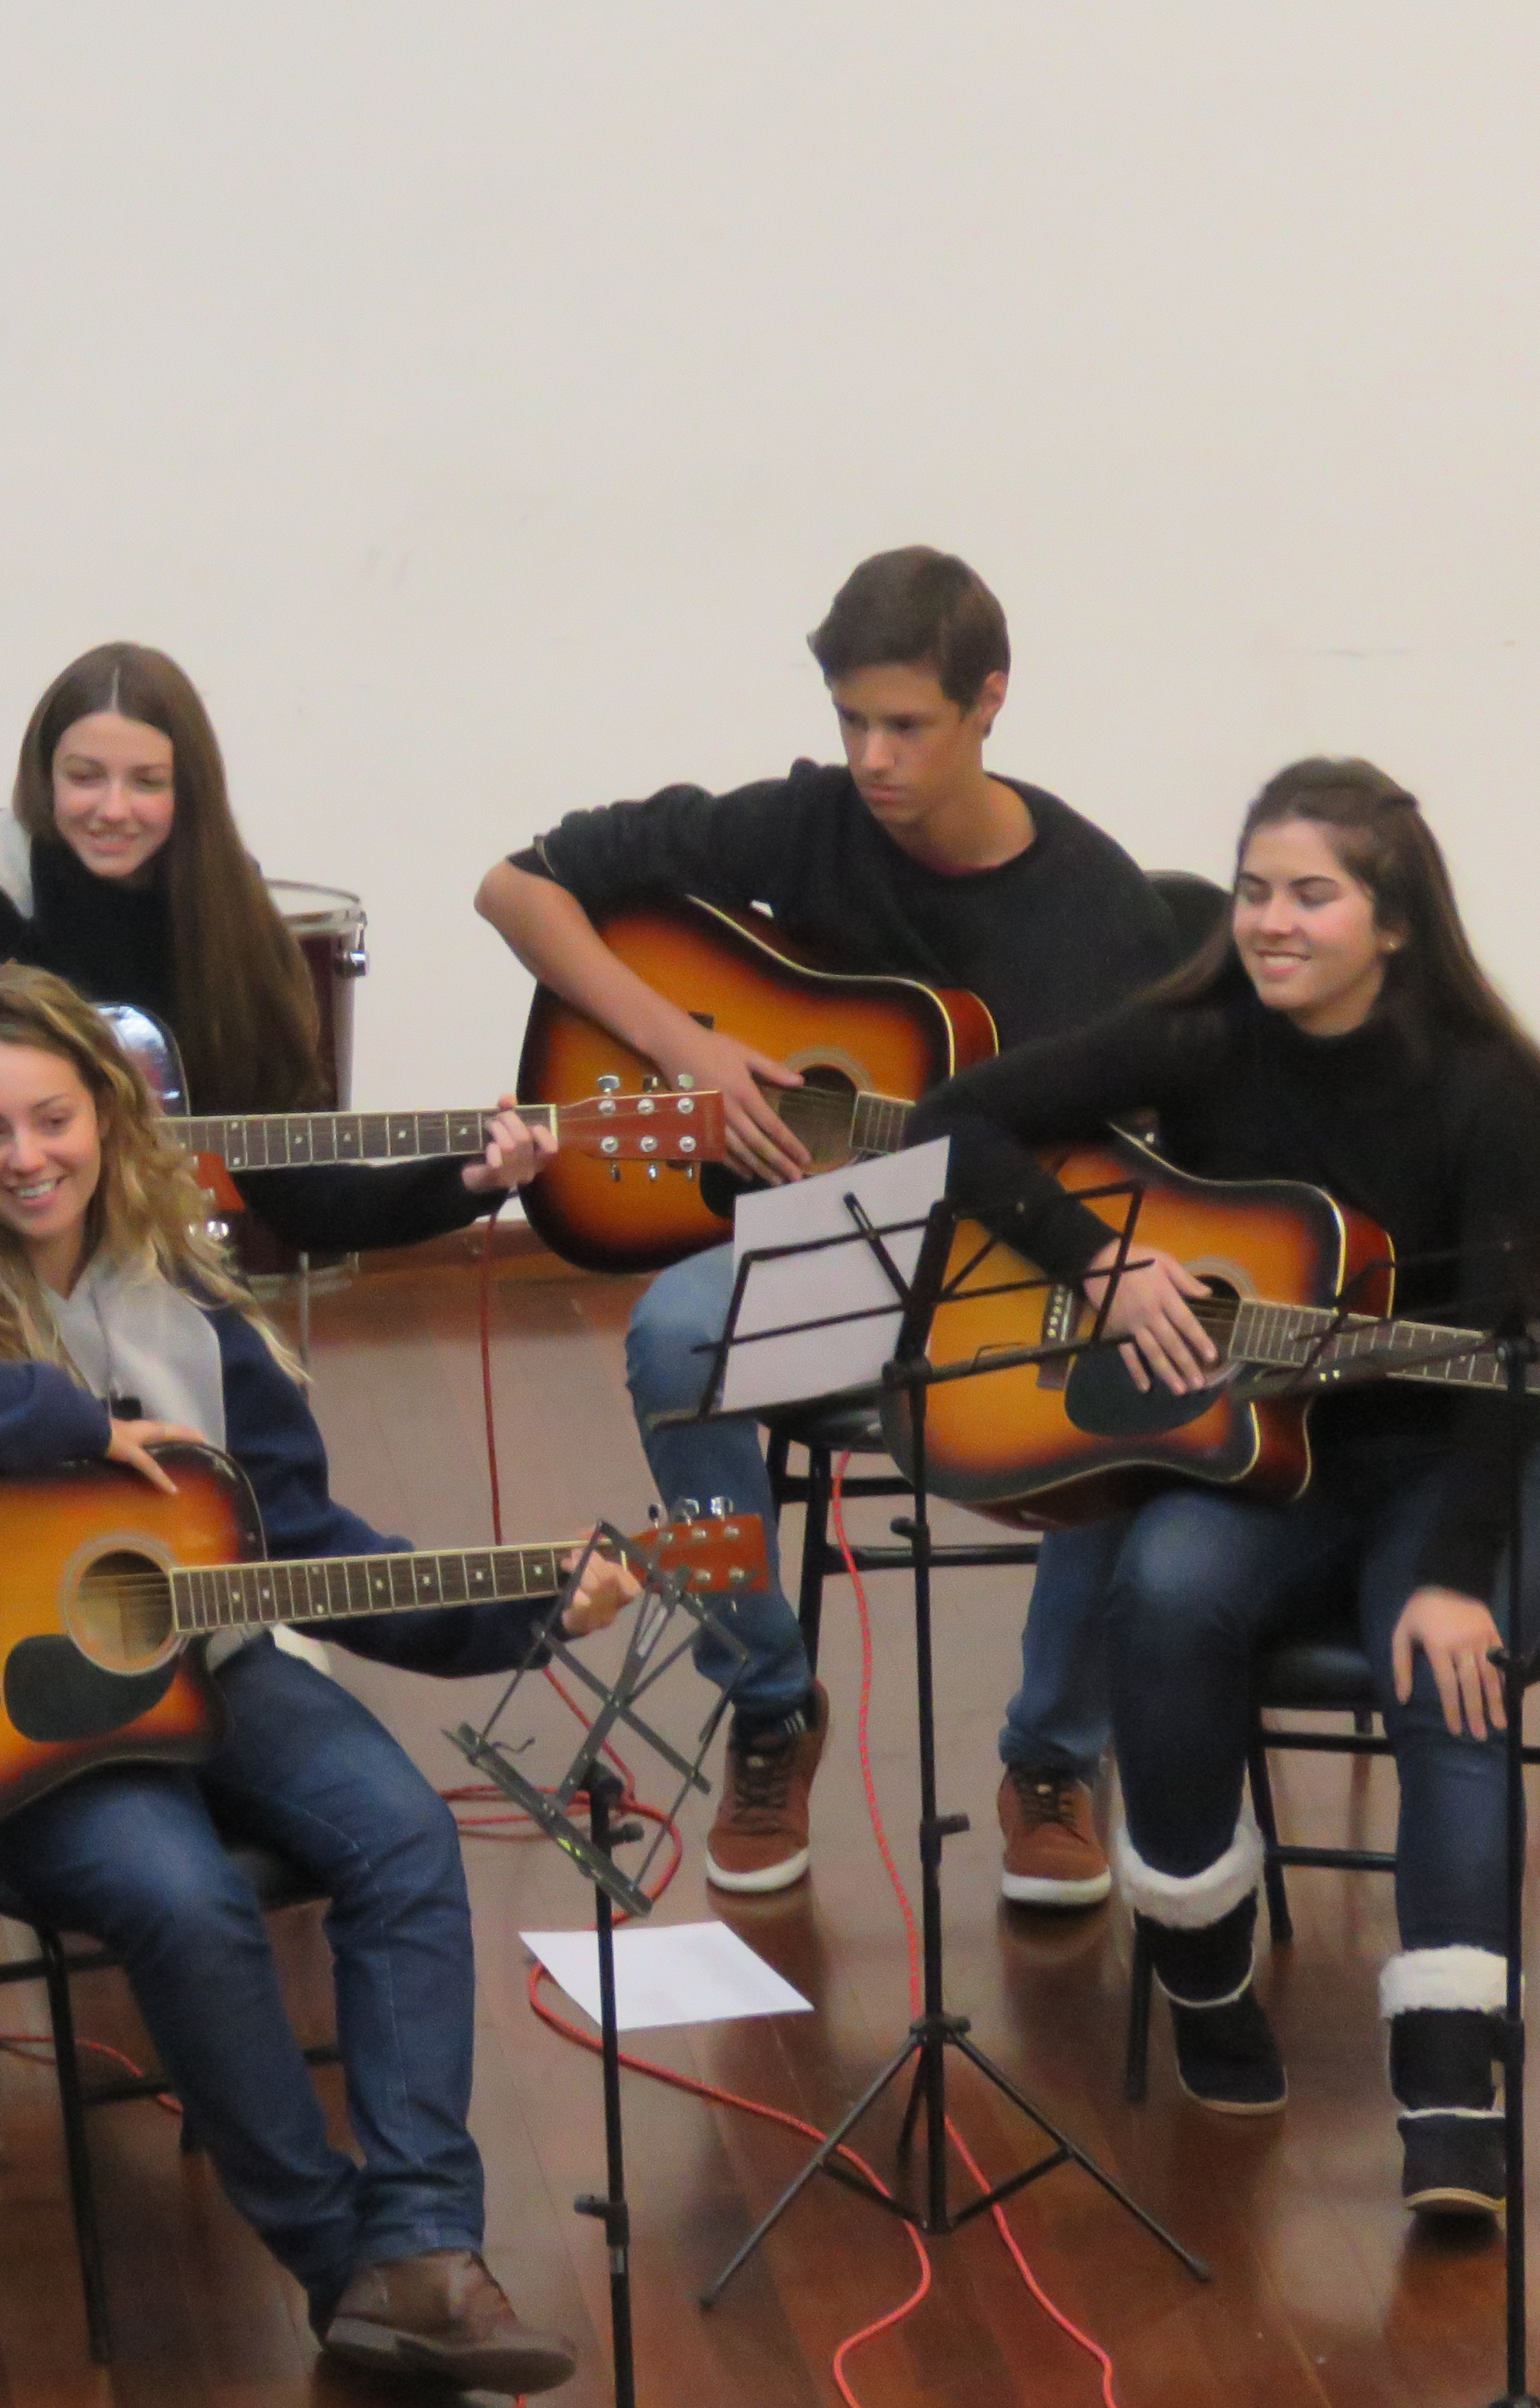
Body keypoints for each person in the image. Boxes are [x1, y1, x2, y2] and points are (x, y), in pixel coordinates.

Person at [0, 962, 642, 2395]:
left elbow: (303, 1544)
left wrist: (529, 1611)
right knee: (182, 1898)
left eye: (53, 1120)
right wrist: (69, 1422)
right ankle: (343, 2265)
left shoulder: (185, 1287)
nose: (26, 1158)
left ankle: (426, 2245)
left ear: (107, 1113)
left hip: (211, 1656)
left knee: (403, 1835)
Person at [907, 759, 1540, 2218]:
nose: (1271, 922)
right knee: (1161, 1595)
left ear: (1393, 922)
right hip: (1268, 1454)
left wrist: (1457, 1579)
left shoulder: (1493, 1092)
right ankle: (1205, 1980)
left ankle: (1452, 2091)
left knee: (1441, 1671)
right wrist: (1094, 1260)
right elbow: (947, 1119)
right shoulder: (1206, 1043)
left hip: (1466, 1460)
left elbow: (1509, 1362)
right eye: (1254, 890)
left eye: (1311, 896)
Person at [474, 548, 1181, 1903]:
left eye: (904, 725)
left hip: (1013, 1249)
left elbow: (1146, 1155)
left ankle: (1053, 1754)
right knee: (676, 1336)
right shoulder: (807, 825)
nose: (870, 758)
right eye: (850, 720)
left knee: (1133, 1374)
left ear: (989, 702)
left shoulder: (1094, 911)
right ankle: (769, 1701)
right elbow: (515, 887)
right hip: (845, 1241)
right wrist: (682, 1045)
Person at [0, 639, 551, 1255]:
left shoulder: (229, 930)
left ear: (191, 791)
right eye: (84, 778)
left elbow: (302, 1198)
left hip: (124, 1276)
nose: (112, 809)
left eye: (146, 783)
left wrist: (469, 1180)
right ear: (44, 778)